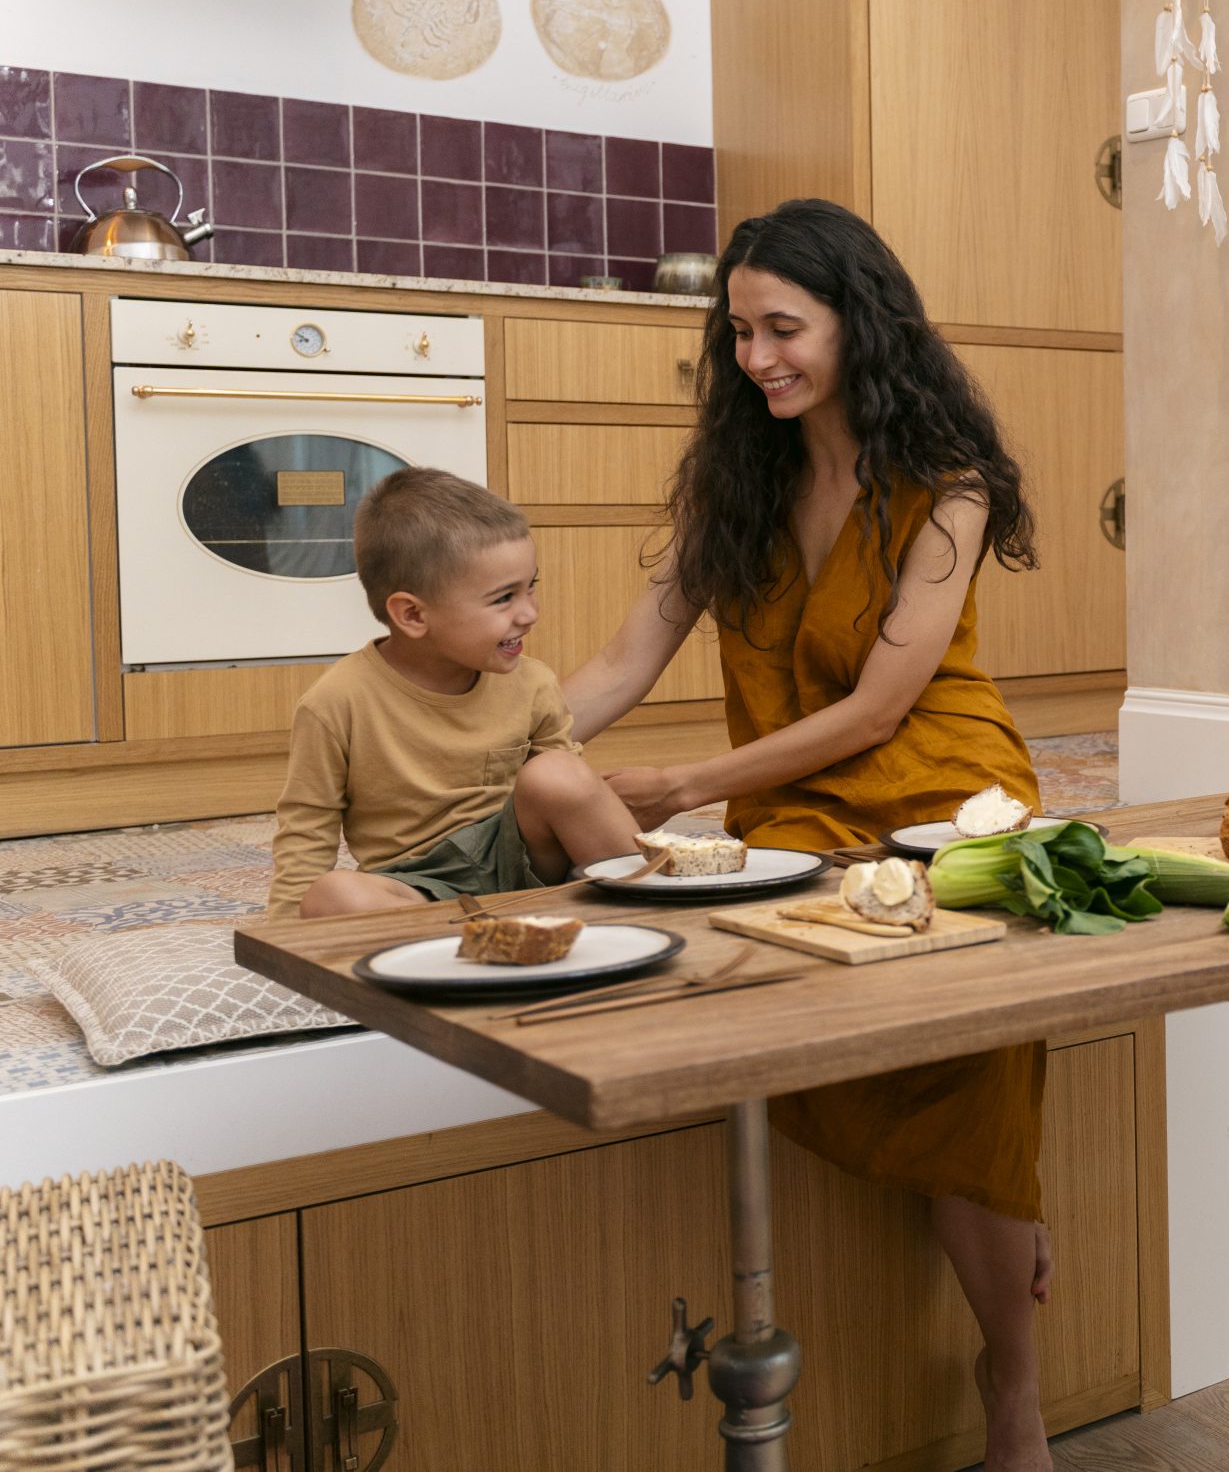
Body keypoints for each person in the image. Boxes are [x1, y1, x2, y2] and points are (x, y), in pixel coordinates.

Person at [561, 198, 1055, 1472]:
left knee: (975, 1037)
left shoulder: (948, 484)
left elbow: (880, 708)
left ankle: (1013, 1385)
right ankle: (1005, 1247)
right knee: (780, 983)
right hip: (797, 809)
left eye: (783, 328)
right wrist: (494, 747)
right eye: (738, 333)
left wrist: (684, 783)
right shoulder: (736, 480)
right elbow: (622, 660)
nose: (756, 358)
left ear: (858, 322)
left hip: (947, 789)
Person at [268, 468, 643, 918]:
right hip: (417, 886)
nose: (529, 613)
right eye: (503, 598)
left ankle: (649, 902)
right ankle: (480, 938)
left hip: (525, 863)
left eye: (531, 587)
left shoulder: (533, 683)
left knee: (559, 773)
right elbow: (307, 832)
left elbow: (574, 803)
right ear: (412, 615)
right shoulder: (335, 703)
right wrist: (282, 933)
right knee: (334, 896)